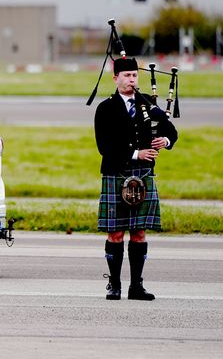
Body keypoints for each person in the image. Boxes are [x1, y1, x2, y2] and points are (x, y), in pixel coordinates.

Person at [94, 57, 177, 301]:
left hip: (143, 174)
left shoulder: (148, 106)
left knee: (139, 232)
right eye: (127, 76)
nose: (132, 80)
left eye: (134, 75)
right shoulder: (106, 108)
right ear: (115, 78)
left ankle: (136, 287)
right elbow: (104, 146)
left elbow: (170, 129)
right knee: (116, 233)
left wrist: (166, 141)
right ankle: (115, 285)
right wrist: (136, 153)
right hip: (116, 173)